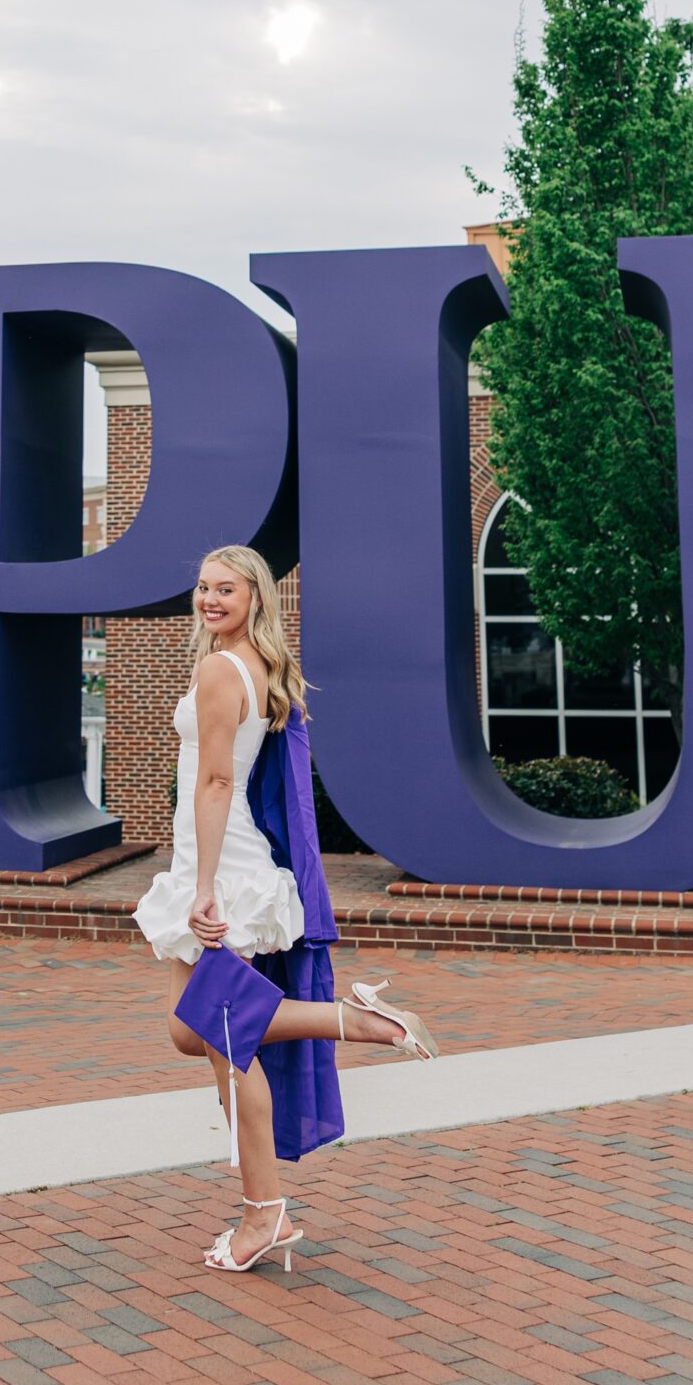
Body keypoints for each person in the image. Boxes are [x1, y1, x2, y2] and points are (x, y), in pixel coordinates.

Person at [134, 545, 439, 1274]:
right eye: (203, 588)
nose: (209, 599)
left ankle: (264, 1212)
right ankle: (350, 1022)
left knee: (225, 1034)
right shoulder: (258, 668)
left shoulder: (218, 669)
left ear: (254, 598)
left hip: (221, 863)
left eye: (225, 590)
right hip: (213, 857)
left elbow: (212, 783)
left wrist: (203, 889)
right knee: (190, 1031)